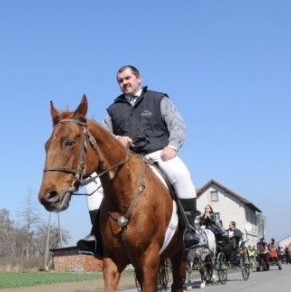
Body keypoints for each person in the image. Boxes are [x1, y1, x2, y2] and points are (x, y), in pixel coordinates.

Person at [78, 65, 202, 256]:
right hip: (127, 160)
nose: (124, 83)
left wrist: (173, 146)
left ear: (139, 78)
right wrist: (117, 139)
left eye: (128, 78)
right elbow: (102, 136)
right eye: (120, 81)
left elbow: (178, 125)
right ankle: (96, 235)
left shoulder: (159, 99)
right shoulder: (113, 109)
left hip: (158, 154)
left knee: (181, 174)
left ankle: (190, 230)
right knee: (93, 181)